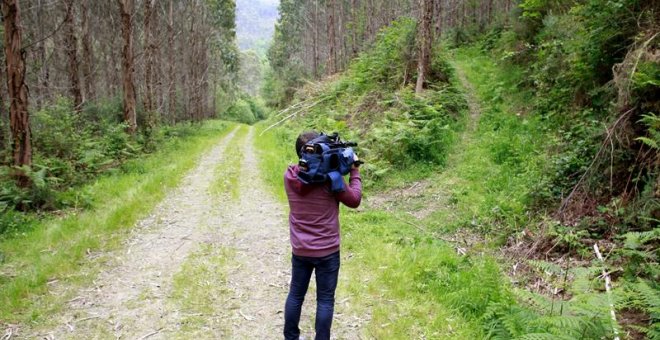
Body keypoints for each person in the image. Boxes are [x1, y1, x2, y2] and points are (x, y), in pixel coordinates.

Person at [283, 131, 362, 340]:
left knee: (296, 295)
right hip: (328, 251)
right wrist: (354, 171)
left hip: (300, 249)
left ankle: (290, 337)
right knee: (325, 300)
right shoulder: (331, 180)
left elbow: (307, 177)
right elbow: (354, 200)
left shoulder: (290, 176)